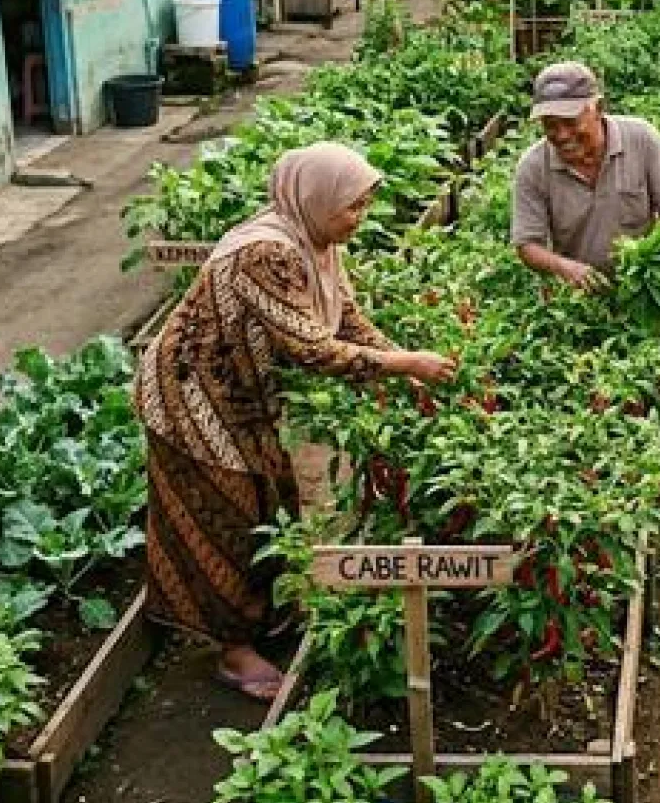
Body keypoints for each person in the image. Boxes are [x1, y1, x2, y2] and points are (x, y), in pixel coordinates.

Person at [134, 143, 458, 701]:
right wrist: (404, 364)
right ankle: (233, 652)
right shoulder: (268, 252)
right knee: (227, 516)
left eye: (364, 206)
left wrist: (398, 362)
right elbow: (313, 348)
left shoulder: (315, 243)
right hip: (192, 398)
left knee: (272, 500)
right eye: (351, 207)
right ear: (315, 197)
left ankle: (262, 617)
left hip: (241, 397)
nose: (359, 219)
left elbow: (347, 321)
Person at [510, 61, 660, 527]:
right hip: (581, 303)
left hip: (648, 294)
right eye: (550, 123)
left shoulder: (641, 138)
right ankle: (613, 497)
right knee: (599, 396)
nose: (561, 133)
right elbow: (527, 244)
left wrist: (646, 251)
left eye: (570, 120)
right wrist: (565, 267)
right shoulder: (534, 167)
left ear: (598, 109)